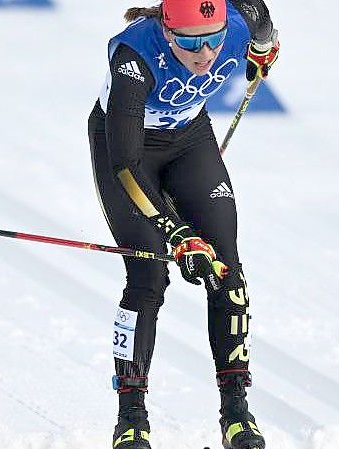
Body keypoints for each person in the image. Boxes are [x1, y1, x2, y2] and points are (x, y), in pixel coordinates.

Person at [88, 0, 279, 448]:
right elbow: (127, 165)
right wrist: (176, 233)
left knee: (226, 269)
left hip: (189, 139)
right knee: (149, 275)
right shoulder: (133, 57)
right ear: (169, 32)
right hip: (130, 155)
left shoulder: (236, 22)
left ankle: (236, 410)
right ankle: (130, 417)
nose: (206, 53)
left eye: (213, 39)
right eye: (192, 42)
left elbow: (260, 19)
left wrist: (264, 48)